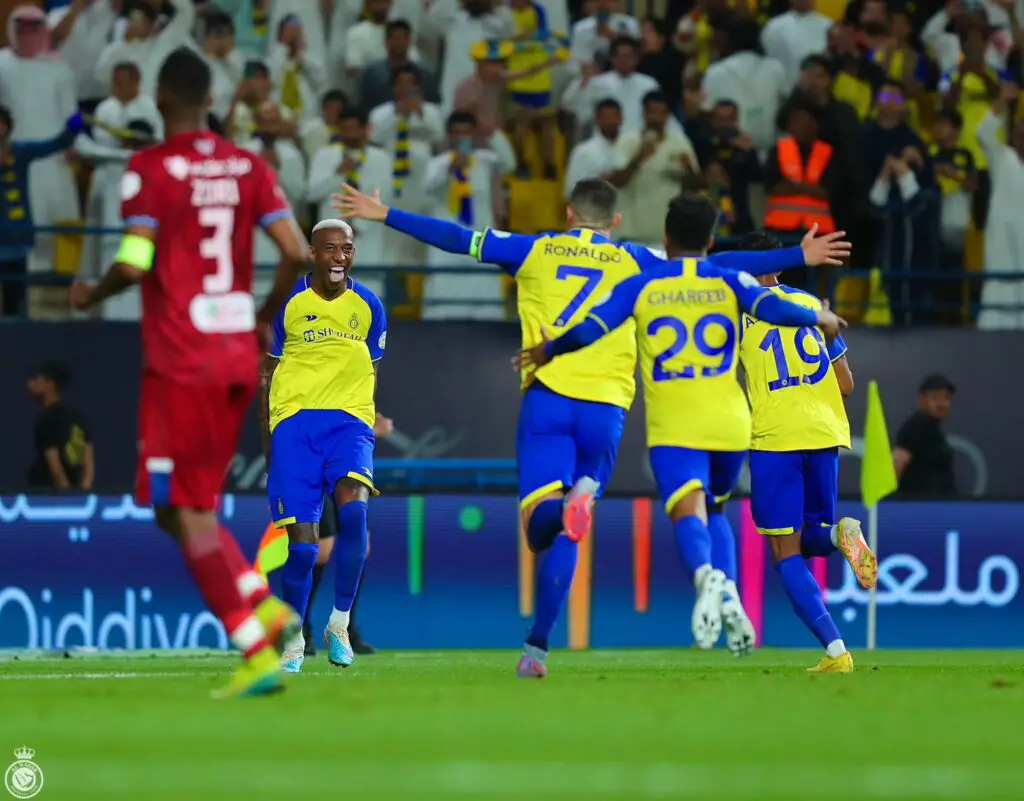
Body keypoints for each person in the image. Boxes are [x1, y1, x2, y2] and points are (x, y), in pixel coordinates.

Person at [333, 180, 852, 674]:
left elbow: (456, 238)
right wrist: (795, 258)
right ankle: (536, 644)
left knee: (541, 522)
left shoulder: (536, 250)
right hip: (609, 410)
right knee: (606, 523)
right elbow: (717, 267)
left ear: (568, 214)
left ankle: (553, 567)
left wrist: (386, 215)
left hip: (550, 398)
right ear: (616, 220)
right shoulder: (634, 260)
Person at [69, 47, 309, 699]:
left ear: (160, 97)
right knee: (179, 510)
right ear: (208, 98)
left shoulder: (149, 169)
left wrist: (91, 295)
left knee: (185, 510)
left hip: (182, 359)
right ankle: (262, 605)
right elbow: (296, 250)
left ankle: (253, 645)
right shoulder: (249, 166)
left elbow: (137, 258)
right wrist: (262, 312)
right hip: (234, 354)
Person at [515, 194, 849, 657]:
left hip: (677, 420)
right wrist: (819, 315)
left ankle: (706, 577)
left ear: (666, 238)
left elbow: (593, 327)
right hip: (732, 421)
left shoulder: (643, 285)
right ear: (710, 240)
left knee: (687, 511)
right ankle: (728, 592)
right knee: (714, 511)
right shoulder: (731, 280)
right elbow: (772, 307)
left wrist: (551, 350)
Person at [737, 229, 875, 673]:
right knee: (815, 534)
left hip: (777, 435)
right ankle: (841, 534)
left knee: (786, 551)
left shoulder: (735, 310)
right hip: (826, 430)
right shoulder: (811, 306)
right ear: (778, 266)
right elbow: (847, 384)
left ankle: (836, 651)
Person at [259, 219, 386, 673]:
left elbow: (370, 368)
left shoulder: (369, 305)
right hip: (294, 427)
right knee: (305, 548)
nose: (338, 257)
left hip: (349, 423)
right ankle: (294, 636)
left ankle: (340, 622)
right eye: (329, 249)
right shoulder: (287, 304)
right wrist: (269, 443)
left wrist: (367, 417)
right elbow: (267, 373)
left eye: (346, 249)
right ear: (312, 254)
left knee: (355, 513)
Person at [302, 411, 395, 658]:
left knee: (360, 546)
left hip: (347, 467)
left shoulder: (356, 384)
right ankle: (301, 629)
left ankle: (345, 628)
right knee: (322, 549)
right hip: (315, 469)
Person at [0, 106, 82, 317]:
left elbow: (55, 145)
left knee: (16, 303)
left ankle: (17, 341)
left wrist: (70, 132)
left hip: (16, 240)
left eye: (2, 124)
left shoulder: (19, 152)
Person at [27, 361, 94, 491]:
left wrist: (67, 497)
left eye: (36, 379)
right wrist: (83, 494)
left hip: (51, 499)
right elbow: (89, 464)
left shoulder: (45, 421)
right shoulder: (78, 418)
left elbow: (55, 468)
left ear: (50, 384)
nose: (29, 384)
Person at [892, 375, 957, 498]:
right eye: (936, 397)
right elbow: (898, 461)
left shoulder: (932, 429)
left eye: (946, 398)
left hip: (935, 506)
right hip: (920, 507)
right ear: (921, 400)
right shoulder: (917, 425)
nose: (942, 403)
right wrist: (890, 503)